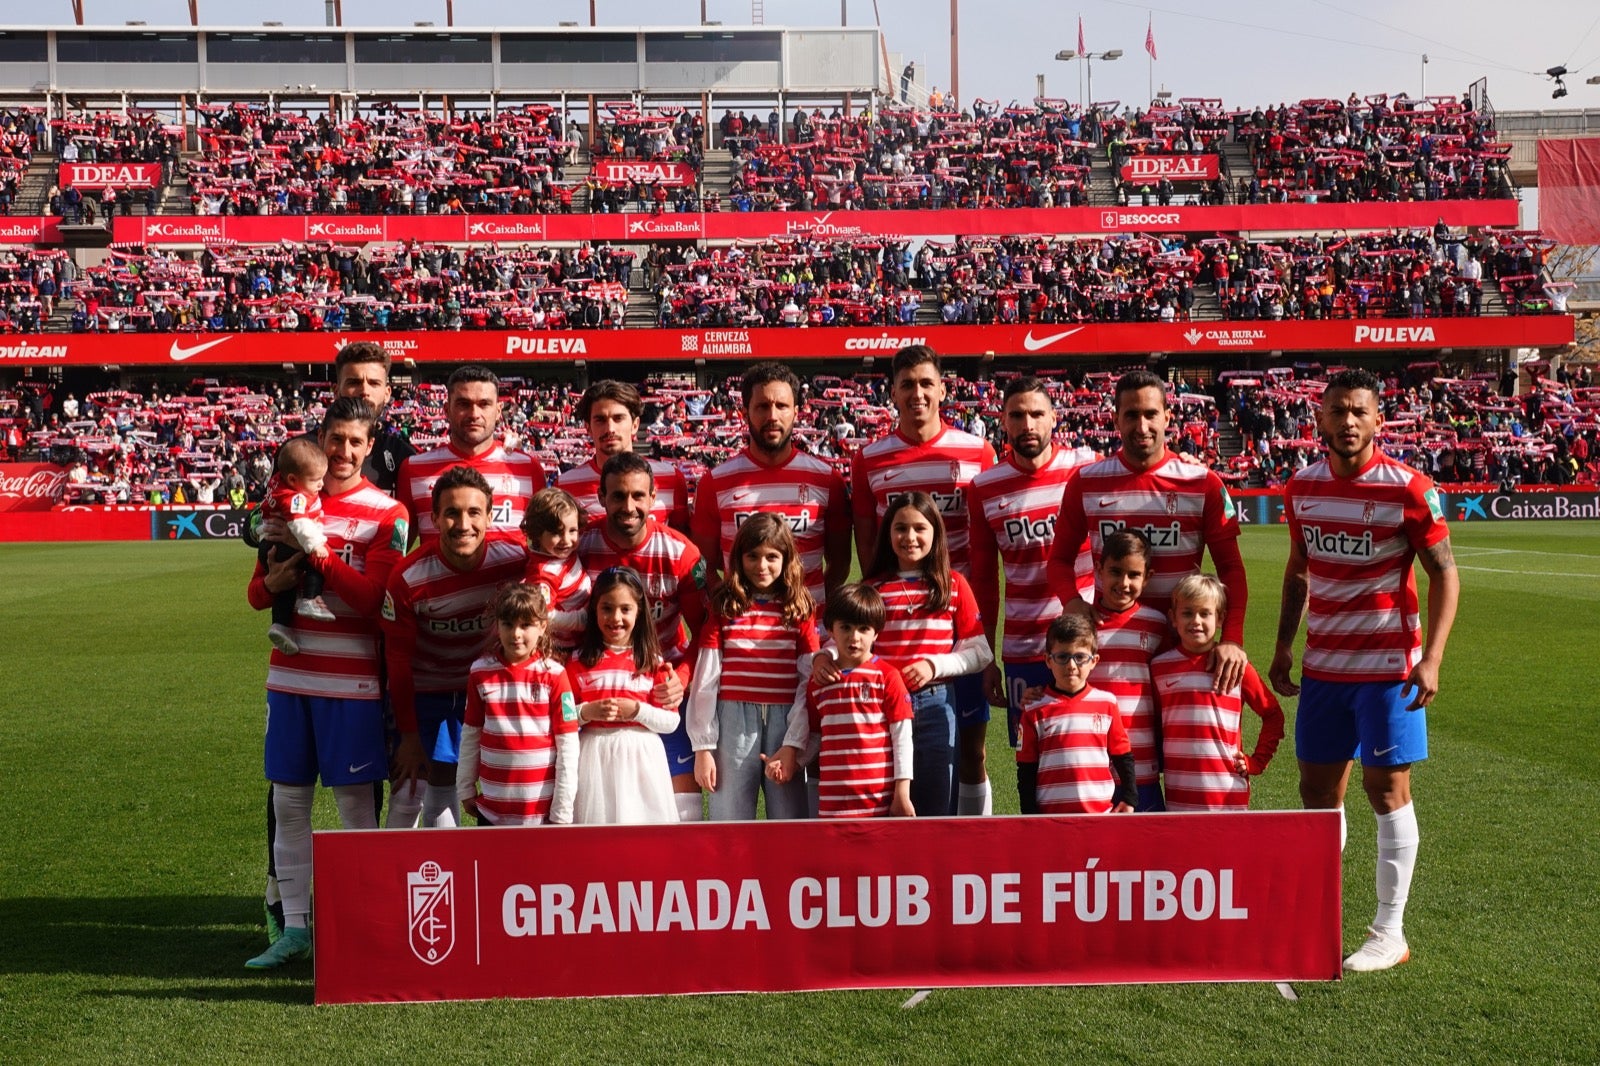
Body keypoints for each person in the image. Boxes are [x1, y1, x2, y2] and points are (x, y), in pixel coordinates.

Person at [1270, 367, 1459, 973]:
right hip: (1325, 667)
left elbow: (1444, 573)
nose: (1347, 422)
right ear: (1319, 420)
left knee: (1386, 789)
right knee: (1317, 794)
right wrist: (1282, 646)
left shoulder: (1408, 487)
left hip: (1387, 670)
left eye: (1359, 412)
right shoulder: (1300, 488)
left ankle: (1389, 931)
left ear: (1378, 420)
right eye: (1337, 411)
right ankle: (1318, 912)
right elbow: (1298, 568)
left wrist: (1431, 658)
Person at [243, 397, 408, 969]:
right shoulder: (292, 504)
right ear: (323, 439)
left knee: (355, 809)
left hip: (351, 687)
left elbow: (373, 604)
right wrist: (280, 577)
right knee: (289, 805)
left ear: (370, 447)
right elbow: (256, 594)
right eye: (334, 439)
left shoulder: (389, 513)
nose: (343, 451)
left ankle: (362, 929)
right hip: (289, 680)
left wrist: (320, 557)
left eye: (355, 442)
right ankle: (293, 931)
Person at [851, 344, 997, 815]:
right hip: (899, 623)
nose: (918, 393)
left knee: (970, 753)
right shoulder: (870, 458)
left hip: (957, 617)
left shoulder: (976, 451)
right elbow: (868, 547)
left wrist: (983, 638)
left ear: (943, 389)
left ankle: (973, 850)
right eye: (907, 384)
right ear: (892, 391)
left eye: (926, 383)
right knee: (889, 760)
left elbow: (985, 547)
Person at [1047, 369, 1250, 694]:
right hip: (1113, 653)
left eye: (1151, 414)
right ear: (1116, 419)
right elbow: (1058, 560)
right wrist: (1071, 601)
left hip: (1184, 650)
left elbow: (1232, 569)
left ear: (1168, 417)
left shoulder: (1203, 483)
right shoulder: (1085, 482)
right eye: (1131, 415)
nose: (1142, 426)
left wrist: (1233, 639)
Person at [382, 466, 530, 830]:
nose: (463, 524)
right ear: (433, 517)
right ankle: (398, 881)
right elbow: (397, 662)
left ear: (490, 516)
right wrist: (410, 737)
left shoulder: (515, 560)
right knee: (409, 787)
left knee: (495, 783)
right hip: (426, 691)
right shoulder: (407, 578)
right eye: (451, 513)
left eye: (473, 512)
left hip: (484, 689)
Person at [968, 375, 1097, 749]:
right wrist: (987, 656)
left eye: (1037, 414)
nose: (1028, 425)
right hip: (1024, 647)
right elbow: (985, 580)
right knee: (1033, 759)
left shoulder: (1086, 467)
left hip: (1086, 641)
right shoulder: (984, 487)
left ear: (1054, 418)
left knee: (1093, 752)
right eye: (1017, 415)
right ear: (1003, 421)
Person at [578, 452, 708, 822]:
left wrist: (680, 680)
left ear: (654, 499)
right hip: (597, 690)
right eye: (618, 496)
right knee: (599, 812)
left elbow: (706, 632)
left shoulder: (681, 553)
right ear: (602, 498)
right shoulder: (581, 547)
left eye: (638, 496)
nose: (629, 506)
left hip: (661, 687)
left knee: (684, 813)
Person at [859, 492, 993, 818]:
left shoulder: (953, 585)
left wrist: (935, 665)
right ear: (888, 533)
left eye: (920, 528)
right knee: (885, 803)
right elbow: (847, 640)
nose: (910, 537)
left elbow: (980, 652)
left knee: (937, 805)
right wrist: (824, 656)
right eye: (900, 528)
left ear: (936, 532)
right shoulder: (872, 589)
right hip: (881, 706)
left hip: (937, 704)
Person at [686, 514, 818, 821]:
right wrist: (703, 747)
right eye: (753, 556)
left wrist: (794, 743)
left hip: (784, 719)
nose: (762, 566)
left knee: (789, 817)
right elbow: (707, 677)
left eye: (772, 557)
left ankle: (787, 870)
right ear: (738, 558)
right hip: (732, 716)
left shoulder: (799, 607)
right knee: (729, 814)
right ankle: (729, 869)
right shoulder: (725, 605)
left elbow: (807, 679)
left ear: (787, 559)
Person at [691, 362, 851, 608]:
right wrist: (727, 606)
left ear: (796, 412)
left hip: (807, 636)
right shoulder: (714, 483)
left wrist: (813, 607)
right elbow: (703, 566)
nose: (773, 416)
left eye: (782, 406)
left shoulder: (828, 480)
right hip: (740, 636)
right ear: (745, 413)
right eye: (763, 406)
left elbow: (840, 564)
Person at [770, 583, 914, 819]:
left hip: (878, 802)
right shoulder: (819, 684)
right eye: (845, 627)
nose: (854, 637)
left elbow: (902, 737)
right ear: (830, 630)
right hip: (832, 802)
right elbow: (815, 736)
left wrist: (902, 792)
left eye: (863, 629)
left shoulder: (888, 677)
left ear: (876, 632)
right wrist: (793, 764)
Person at [1152, 573, 1283, 812]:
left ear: (1220, 618)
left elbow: (1273, 714)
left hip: (1227, 794)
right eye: (1187, 613)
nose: (1196, 621)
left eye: (1205, 613)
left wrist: (1257, 762)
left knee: (1231, 850)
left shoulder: (1236, 667)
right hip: (1178, 796)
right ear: (1173, 618)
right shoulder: (1159, 667)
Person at [457, 583, 579, 827]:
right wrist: (465, 788)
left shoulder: (555, 675)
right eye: (508, 624)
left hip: (541, 812)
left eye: (526, 625)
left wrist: (562, 811)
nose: (516, 634)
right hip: (492, 810)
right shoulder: (480, 673)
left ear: (542, 627)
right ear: (498, 625)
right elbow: (471, 733)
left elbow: (568, 746)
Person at [566, 566, 681, 825]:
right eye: (606, 608)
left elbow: (671, 722)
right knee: (598, 832)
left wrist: (637, 710)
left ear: (639, 612)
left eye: (625, 609)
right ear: (594, 610)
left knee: (644, 832)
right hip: (595, 757)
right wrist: (587, 712)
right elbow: (561, 718)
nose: (615, 617)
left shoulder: (653, 663)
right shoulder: (577, 663)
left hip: (642, 758)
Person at [397, 365, 545, 545]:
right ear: (446, 409)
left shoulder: (528, 468)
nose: (474, 414)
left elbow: (544, 544)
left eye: (484, 404)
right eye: (463, 404)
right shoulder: (413, 469)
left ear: (498, 411)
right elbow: (400, 547)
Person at [1015, 613, 1137, 815]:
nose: (1071, 666)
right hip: (1051, 817)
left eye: (1079, 657)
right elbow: (1026, 768)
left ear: (1094, 661)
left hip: (1100, 815)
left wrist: (1130, 798)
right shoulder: (1034, 709)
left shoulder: (1107, 703)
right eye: (1062, 657)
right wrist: (1030, 814)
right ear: (1048, 660)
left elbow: (1123, 756)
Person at [1087, 530, 1172, 810]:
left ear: (1147, 577)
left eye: (1134, 575)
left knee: (1147, 845)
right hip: (1092, 759)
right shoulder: (1081, 625)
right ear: (1099, 570)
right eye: (1115, 571)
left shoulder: (1158, 625)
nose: (1124, 583)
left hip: (1141, 759)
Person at [556, 380, 689, 531]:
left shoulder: (671, 478)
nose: (610, 428)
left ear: (635, 425)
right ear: (588, 428)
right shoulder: (564, 487)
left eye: (618, 418)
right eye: (600, 420)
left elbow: (681, 541)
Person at [258, 437, 335, 656]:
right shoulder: (295, 498)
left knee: (286, 587)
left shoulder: (279, 482)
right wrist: (315, 545)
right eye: (315, 480)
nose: (321, 484)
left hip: (269, 543)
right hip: (282, 544)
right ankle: (310, 599)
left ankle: (280, 626)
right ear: (293, 479)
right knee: (314, 564)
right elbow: (299, 523)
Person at [521, 486, 590, 656]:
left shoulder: (563, 554)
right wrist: (582, 620)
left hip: (580, 638)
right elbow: (544, 615)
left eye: (572, 530)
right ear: (537, 533)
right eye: (556, 533)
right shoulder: (542, 573)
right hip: (562, 648)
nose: (566, 540)